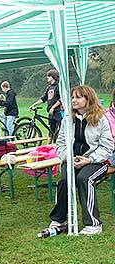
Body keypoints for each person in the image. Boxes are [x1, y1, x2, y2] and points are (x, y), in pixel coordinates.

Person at [48, 86, 113, 235]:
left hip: (97, 161)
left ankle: (93, 224)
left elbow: (107, 147)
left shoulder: (101, 119)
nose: (74, 100)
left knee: (84, 178)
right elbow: (61, 144)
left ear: (88, 99)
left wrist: (89, 159)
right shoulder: (67, 119)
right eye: (72, 97)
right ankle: (59, 218)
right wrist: (68, 158)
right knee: (64, 180)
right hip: (72, 159)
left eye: (78, 97)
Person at [29, 69, 63, 143]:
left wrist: (53, 107)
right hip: (51, 112)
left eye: (49, 76)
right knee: (51, 129)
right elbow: (44, 98)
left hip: (58, 112)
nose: (47, 77)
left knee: (61, 129)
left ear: (53, 77)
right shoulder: (49, 87)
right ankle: (48, 145)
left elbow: (61, 99)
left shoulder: (59, 86)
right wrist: (34, 104)